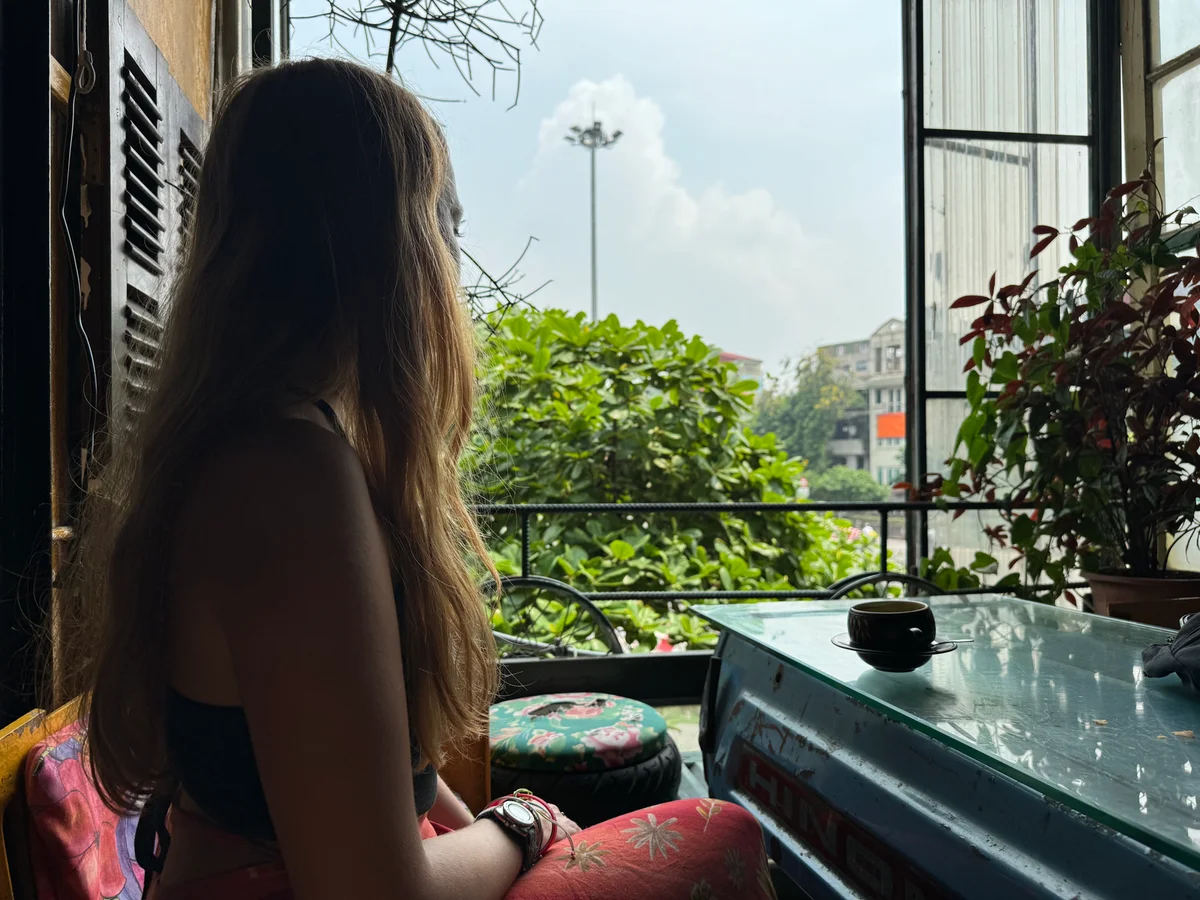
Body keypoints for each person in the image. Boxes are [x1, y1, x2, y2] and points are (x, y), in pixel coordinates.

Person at [67, 58, 776, 900]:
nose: (453, 263)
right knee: (717, 829)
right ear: (382, 245)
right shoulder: (287, 480)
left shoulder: (269, 448)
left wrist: (495, 823)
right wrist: (522, 825)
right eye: (445, 223)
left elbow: (371, 777)